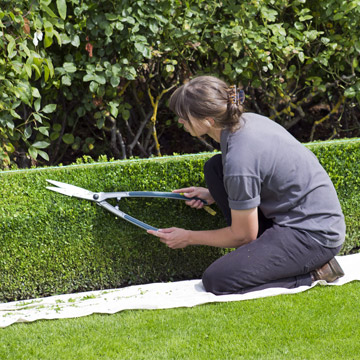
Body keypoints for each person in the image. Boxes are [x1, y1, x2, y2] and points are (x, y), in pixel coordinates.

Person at [147, 75, 345, 295]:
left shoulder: (240, 159)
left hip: (313, 235)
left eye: (183, 117)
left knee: (217, 280)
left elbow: (243, 236)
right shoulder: (245, 122)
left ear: (208, 121)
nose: (180, 122)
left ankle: (316, 272)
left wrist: (189, 237)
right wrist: (212, 194)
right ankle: (263, 257)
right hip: (302, 217)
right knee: (214, 169)